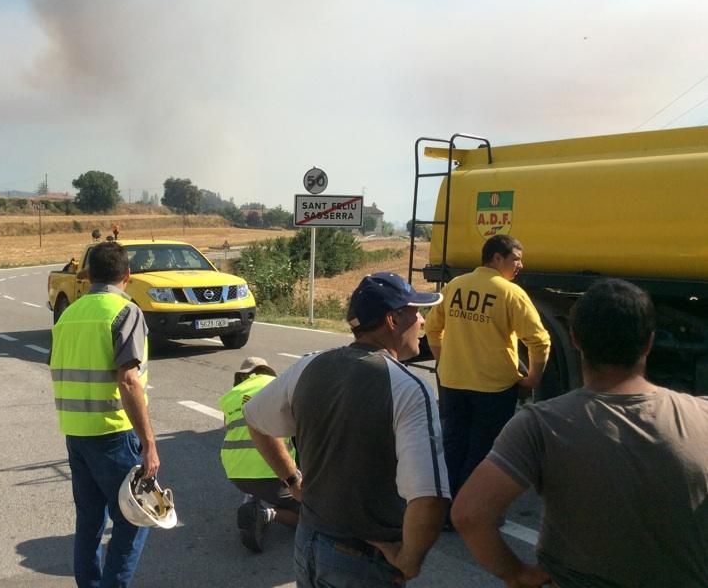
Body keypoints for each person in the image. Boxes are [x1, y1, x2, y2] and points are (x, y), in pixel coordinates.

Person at [453, 278, 708, 587]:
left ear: (575, 339)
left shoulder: (540, 424)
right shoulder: (701, 414)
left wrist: (517, 573)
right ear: (649, 343)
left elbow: (470, 514)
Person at [244, 272, 450, 586]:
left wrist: (292, 480)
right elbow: (430, 498)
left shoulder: (309, 365)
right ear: (393, 320)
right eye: (416, 312)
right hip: (363, 560)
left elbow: (254, 418)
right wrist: (410, 561)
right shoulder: (410, 388)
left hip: (309, 544)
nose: (422, 321)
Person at [50, 241, 159, 588]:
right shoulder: (125, 312)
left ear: (89, 275)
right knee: (134, 518)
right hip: (113, 433)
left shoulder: (70, 314)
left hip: (76, 432)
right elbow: (128, 380)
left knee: (89, 521)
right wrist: (149, 444)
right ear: (127, 275)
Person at [425, 234, 550, 524]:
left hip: (453, 383)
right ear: (497, 258)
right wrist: (532, 378)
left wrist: (444, 361)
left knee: (454, 444)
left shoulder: (455, 286)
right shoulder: (510, 293)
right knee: (482, 451)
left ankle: (444, 512)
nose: (521, 264)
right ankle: (470, 514)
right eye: (516, 258)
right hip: (494, 387)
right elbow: (540, 340)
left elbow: (432, 329)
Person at [219, 357, 300, 553]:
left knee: (254, 468)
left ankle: (251, 498)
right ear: (269, 372)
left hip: (235, 473)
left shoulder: (230, 396)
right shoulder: (278, 386)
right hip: (276, 475)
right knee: (311, 517)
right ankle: (266, 514)